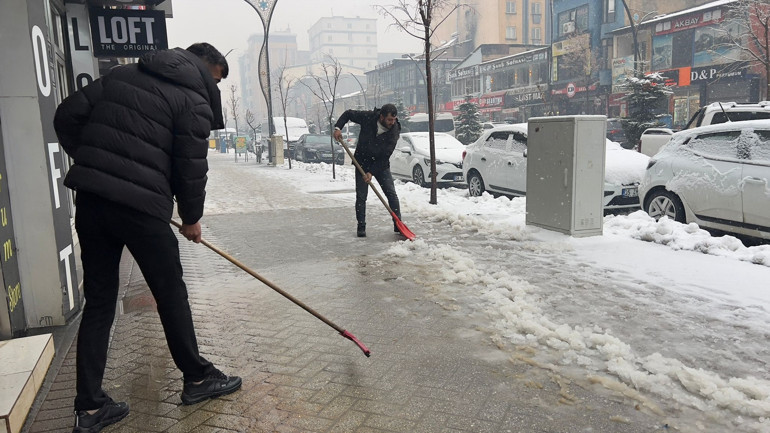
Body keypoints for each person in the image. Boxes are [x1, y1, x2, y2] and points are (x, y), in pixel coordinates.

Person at [53, 43, 242, 433]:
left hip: (92, 202)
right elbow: (190, 166)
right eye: (216, 80)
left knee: (99, 302)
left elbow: (66, 115)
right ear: (205, 67)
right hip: (141, 210)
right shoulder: (192, 98)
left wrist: (96, 162)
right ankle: (198, 378)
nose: (215, 88)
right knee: (170, 294)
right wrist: (191, 218)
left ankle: (90, 408)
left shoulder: (122, 75)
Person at [333, 104, 402, 237]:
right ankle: (361, 226)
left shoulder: (394, 131)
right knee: (361, 196)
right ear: (381, 117)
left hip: (381, 165)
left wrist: (371, 172)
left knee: (391, 194)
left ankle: (398, 224)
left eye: (394, 120)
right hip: (362, 162)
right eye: (389, 120)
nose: (392, 123)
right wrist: (338, 128)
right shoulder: (368, 117)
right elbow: (348, 113)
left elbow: (385, 155)